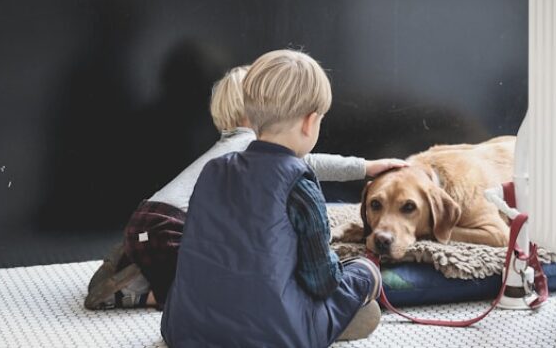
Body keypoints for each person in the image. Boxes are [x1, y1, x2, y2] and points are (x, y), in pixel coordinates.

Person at [85, 64, 405, 311]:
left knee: (197, 263)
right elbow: (310, 162)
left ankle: (133, 263)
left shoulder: (229, 148)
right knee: (203, 290)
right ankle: (136, 294)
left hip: (147, 225)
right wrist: (365, 166)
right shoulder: (252, 146)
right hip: (170, 228)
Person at [161, 49, 385, 347]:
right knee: (363, 272)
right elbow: (322, 281)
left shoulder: (213, 170)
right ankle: (330, 319)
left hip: (185, 326)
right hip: (272, 334)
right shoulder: (299, 181)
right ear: (310, 122)